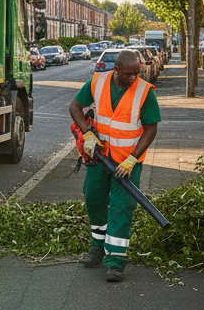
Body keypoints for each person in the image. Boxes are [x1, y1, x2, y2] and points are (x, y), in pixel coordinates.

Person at [67, 49, 160, 282]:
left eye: (136, 74)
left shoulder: (144, 91)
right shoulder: (97, 82)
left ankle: (116, 260)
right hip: (100, 158)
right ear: (116, 70)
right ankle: (98, 247)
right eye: (129, 74)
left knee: (121, 206)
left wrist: (132, 158)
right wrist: (88, 135)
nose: (133, 79)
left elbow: (151, 128)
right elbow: (75, 107)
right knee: (93, 197)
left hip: (127, 163)